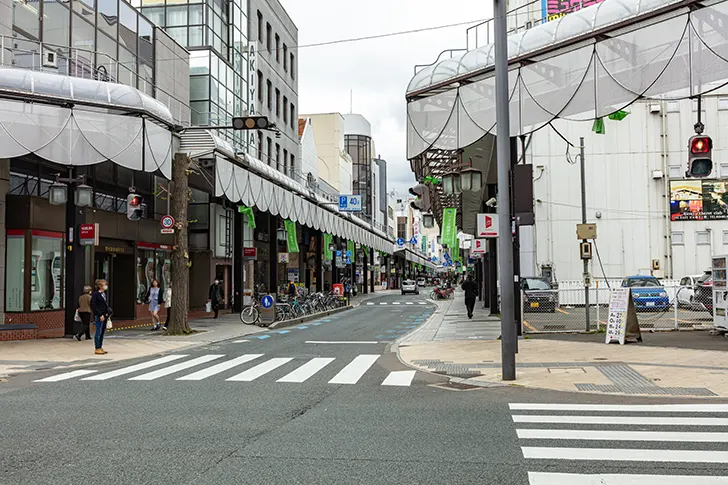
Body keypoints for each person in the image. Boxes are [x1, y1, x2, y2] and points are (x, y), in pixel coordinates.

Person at [91, 279, 112, 355]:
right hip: (99, 315)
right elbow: (93, 305)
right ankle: (97, 347)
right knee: (98, 331)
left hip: (105, 315)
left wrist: (107, 312)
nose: (105, 286)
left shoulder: (104, 294)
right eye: (104, 284)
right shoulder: (95, 295)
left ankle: (100, 346)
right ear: (100, 286)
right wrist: (100, 314)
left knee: (102, 331)